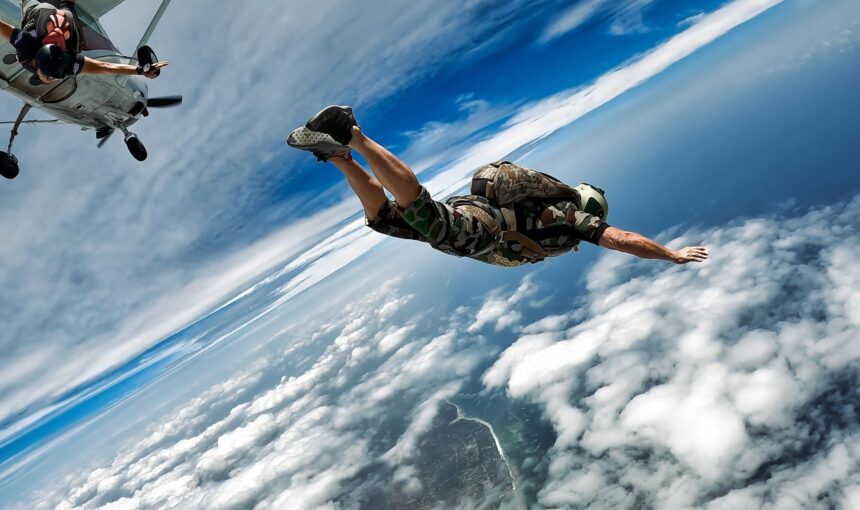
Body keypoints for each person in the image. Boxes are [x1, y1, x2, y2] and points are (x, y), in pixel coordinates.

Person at [288, 105, 709, 268]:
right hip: (483, 229)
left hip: (478, 215)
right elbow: (621, 239)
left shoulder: (558, 219)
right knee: (422, 211)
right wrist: (670, 254)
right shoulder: (570, 217)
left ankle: (339, 157)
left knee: (384, 219)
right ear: (590, 209)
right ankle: (352, 133)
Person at [0, 0, 167, 85]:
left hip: (36, 6)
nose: (57, 34)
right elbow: (104, 67)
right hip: (64, 6)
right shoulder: (69, 61)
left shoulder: (26, 46)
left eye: (55, 40)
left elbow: (2, 27)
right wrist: (139, 70)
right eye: (59, 43)